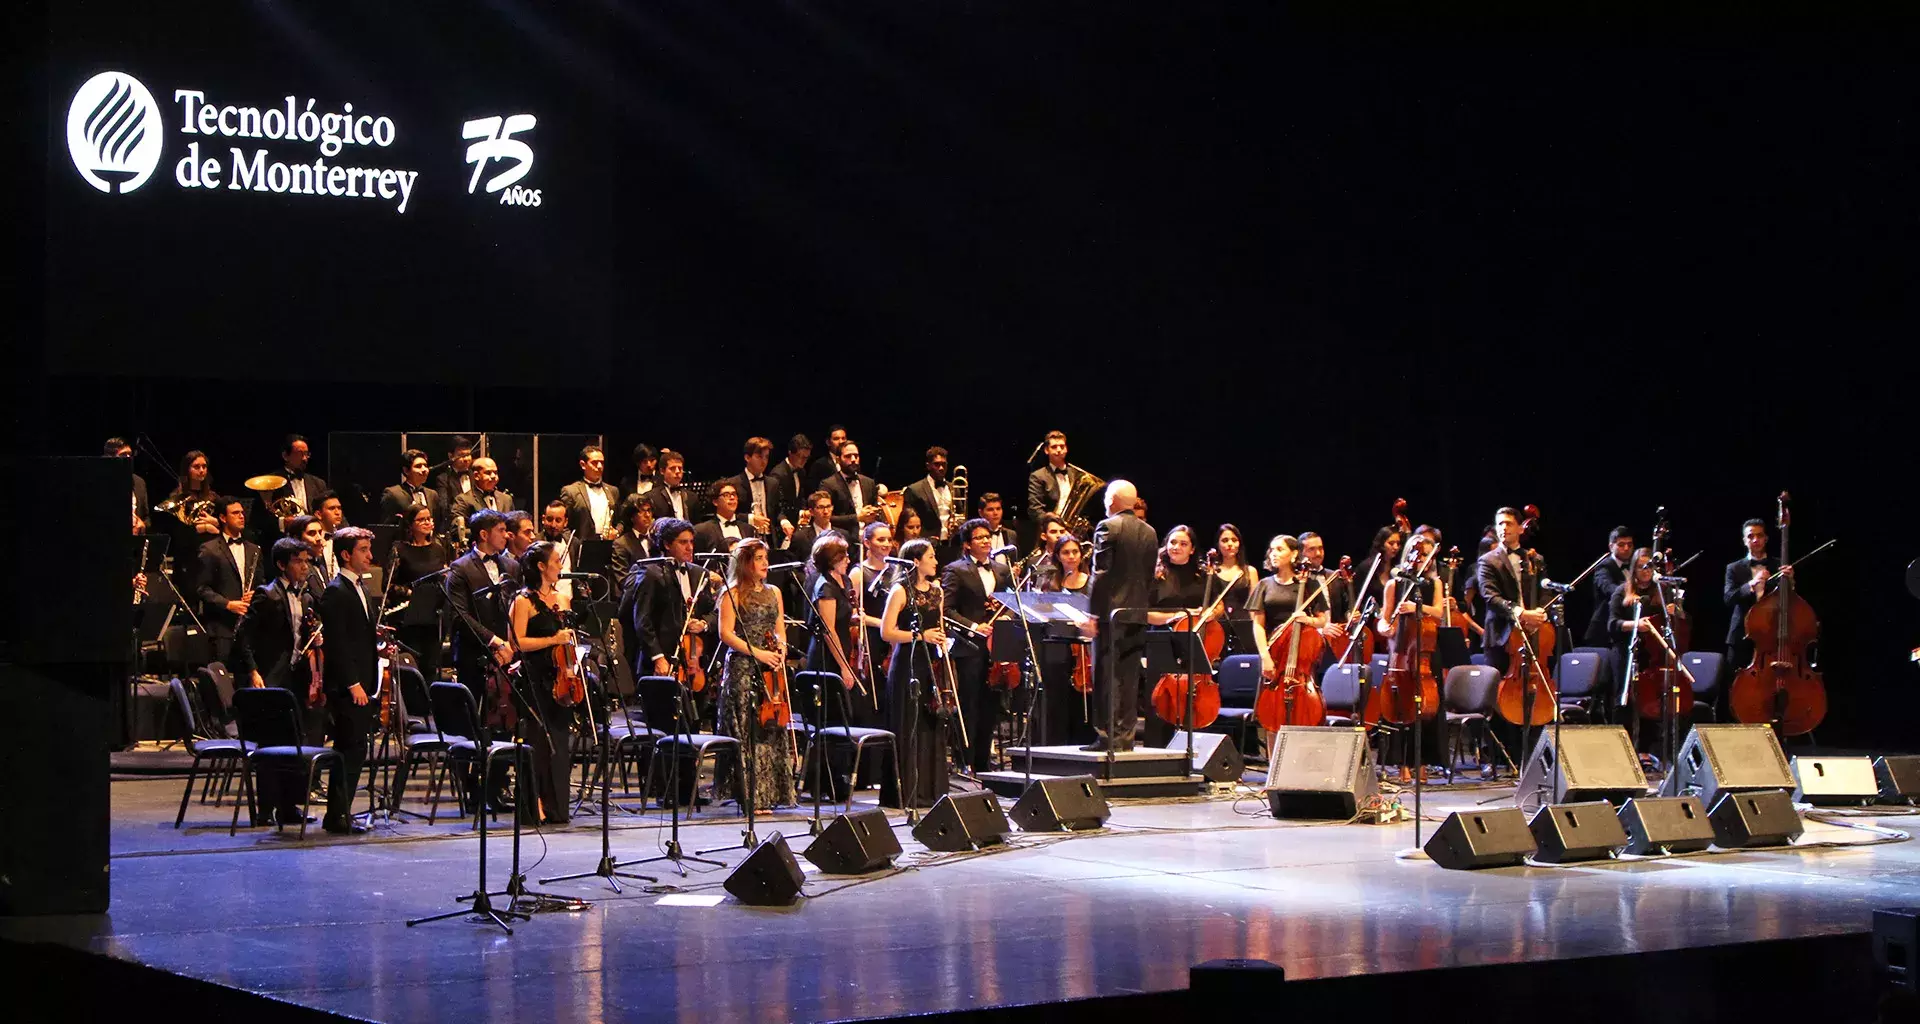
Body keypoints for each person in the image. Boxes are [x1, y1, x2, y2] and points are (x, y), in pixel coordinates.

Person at [235, 538, 343, 827]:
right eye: (298, 561)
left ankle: (289, 808)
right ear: (282, 565)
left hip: (298, 679)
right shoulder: (266, 595)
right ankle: (264, 810)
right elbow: (243, 637)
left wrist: (317, 637)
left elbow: (304, 635)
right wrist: (253, 671)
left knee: (296, 743)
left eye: (307, 561)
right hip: (272, 677)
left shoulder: (307, 597)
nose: (305, 566)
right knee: (271, 746)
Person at [715, 538, 796, 811]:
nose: (765, 563)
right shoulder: (732, 593)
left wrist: (781, 650)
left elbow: (779, 629)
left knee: (770, 729)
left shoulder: (774, 592)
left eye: (765, 557)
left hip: (771, 668)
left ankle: (771, 794)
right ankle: (750, 796)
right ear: (746, 562)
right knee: (749, 729)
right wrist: (757, 653)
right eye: (759, 558)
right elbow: (725, 633)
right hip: (743, 668)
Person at [1081, 480, 1157, 753]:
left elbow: (1100, 575)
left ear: (1110, 501)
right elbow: (1148, 576)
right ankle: (1125, 737)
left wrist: (1091, 613)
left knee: (1106, 675)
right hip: (1137, 612)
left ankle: (1106, 737)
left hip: (1110, 615)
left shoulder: (1107, 527)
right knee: (1129, 676)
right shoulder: (1149, 532)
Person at [510, 541, 579, 825]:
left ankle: (556, 807)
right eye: (555, 561)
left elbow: (567, 640)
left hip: (561, 679)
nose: (560, 567)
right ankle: (532, 805)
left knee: (559, 745)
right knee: (537, 745)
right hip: (534, 681)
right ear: (541, 566)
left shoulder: (562, 599)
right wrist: (553, 640)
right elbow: (517, 642)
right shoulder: (523, 601)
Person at [879, 537, 952, 808]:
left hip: (931, 663)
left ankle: (930, 791)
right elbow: (887, 633)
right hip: (907, 663)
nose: (935, 561)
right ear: (916, 561)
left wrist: (942, 646)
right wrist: (921, 635)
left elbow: (939, 626)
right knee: (909, 723)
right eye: (931, 556)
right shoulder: (900, 590)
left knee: (932, 722)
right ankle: (906, 792)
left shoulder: (937, 591)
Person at [943, 518, 1016, 772]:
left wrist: (1006, 618)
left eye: (988, 536)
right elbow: (947, 609)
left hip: (996, 647)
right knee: (969, 704)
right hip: (969, 646)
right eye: (979, 537)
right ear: (967, 544)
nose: (986, 541)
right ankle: (966, 760)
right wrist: (974, 627)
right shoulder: (956, 570)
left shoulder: (1001, 569)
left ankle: (985, 761)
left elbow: (1011, 605)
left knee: (991, 705)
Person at [317, 526, 377, 835]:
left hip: (363, 681)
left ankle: (343, 812)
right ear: (345, 555)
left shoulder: (361, 587)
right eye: (363, 550)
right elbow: (337, 643)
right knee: (348, 748)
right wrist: (353, 683)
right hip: (347, 686)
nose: (370, 555)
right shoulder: (336, 591)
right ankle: (337, 815)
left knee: (357, 749)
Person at [1376, 527, 1446, 782]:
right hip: (1400, 656)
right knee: (1399, 708)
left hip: (1425, 656)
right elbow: (1384, 622)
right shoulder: (1394, 584)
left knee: (1428, 709)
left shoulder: (1434, 583)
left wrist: (1417, 606)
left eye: (1424, 555)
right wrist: (1387, 628)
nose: (1418, 560)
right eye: (1415, 555)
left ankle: (1424, 763)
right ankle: (1402, 764)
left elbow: (1438, 613)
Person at [623, 517, 715, 682]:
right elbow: (642, 621)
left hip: (694, 660)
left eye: (691, 542)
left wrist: (704, 624)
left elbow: (713, 612)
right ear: (666, 545)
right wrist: (658, 658)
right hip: (662, 660)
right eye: (683, 542)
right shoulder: (651, 573)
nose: (690, 548)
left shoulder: (700, 574)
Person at [1612, 548, 1687, 746]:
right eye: (1640, 567)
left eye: (1650, 566)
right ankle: (1622, 747)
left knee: (1651, 702)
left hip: (1654, 654)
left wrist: (1676, 611)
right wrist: (1636, 625)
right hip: (1626, 652)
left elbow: (1680, 623)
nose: (1646, 571)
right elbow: (1612, 625)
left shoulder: (1663, 592)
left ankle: (1646, 749)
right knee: (1624, 701)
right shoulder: (1622, 592)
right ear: (1633, 569)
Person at [445, 510, 520, 702]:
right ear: (484, 535)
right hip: (475, 655)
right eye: (501, 530)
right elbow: (459, 616)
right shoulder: (460, 568)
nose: (507, 535)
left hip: (509, 655)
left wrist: (510, 644)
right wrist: (495, 641)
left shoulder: (512, 566)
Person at [1475, 507, 1549, 678]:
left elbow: (1545, 590)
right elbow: (1490, 596)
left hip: (1533, 630)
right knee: (1500, 690)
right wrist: (1521, 613)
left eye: (1508, 523)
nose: (1503, 528)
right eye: (1500, 524)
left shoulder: (1535, 559)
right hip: (1501, 636)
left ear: (1521, 528)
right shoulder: (1487, 561)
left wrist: (1540, 612)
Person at [1036, 532, 1094, 746]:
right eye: (1066, 552)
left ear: (1081, 555)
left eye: (1075, 552)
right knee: (1058, 702)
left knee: (1083, 704)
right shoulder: (1050, 584)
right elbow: (1043, 615)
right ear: (1058, 556)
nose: (1071, 556)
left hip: (1083, 650)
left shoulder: (1091, 582)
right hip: (1057, 650)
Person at [388, 504, 450, 683]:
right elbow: (389, 585)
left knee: (432, 665)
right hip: (410, 616)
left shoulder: (438, 548)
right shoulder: (399, 549)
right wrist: (412, 593)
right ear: (410, 524)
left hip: (434, 614)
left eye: (429, 519)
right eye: (421, 519)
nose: (427, 523)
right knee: (414, 666)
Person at [195, 495, 259, 665]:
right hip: (222, 629)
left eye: (242, 513)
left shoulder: (254, 549)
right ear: (222, 518)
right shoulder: (209, 549)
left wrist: (255, 594)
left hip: (249, 628)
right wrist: (229, 604)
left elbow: (262, 583)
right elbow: (202, 589)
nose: (241, 516)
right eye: (235, 513)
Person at [1722, 518, 1781, 672]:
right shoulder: (1733, 568)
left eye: (1759, 536)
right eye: (1750, 536)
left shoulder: (1778, 566)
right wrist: (1750, 585)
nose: (1755, 540)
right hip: (1741, 634)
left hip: (1770, 634)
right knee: (1735, 684)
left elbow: (1786, 599)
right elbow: (1728, 598)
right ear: (1744, 540)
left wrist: (1790, 582)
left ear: (1766, 538)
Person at [849, 520, 896, 699]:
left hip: (894, 640)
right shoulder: (858, 572)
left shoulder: (896, 570)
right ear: (867, 543)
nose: (886, 545)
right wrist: (884, 624)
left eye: (889, 540)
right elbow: (853, 613)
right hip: (872, 639)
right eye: (881, 540)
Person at [557, 444, 622, 541]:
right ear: (583, 465)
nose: (600, 466)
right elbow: (564, 525)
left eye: (602, 463)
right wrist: (574, 545)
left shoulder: (613, 491)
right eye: (595, 463)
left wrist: (616, 532)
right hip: (582, 547)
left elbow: (621, 521)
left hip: (610, 545)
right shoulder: (570, 491)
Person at [819, 440, 881, 540]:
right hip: (842, 539)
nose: (853, 459)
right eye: (848, 456)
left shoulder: (869, 482)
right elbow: (825, 518)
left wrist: (874, 513)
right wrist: (857, 517)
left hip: (869, 539)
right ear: (838, 460)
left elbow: (877, 514)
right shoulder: (828, 485)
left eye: (856, 456)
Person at [1584, 526, 1635, 647]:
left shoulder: (1634, 565)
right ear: (1611, 546)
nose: (1627, 548)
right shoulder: (1604, 567)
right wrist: (1627, 593)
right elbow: (1608, 588)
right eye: (1621, 545)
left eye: (1630, 544)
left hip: (1625, 629)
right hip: (1604, 630)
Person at [1215, 524, 1261, 656]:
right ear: (1218, 544)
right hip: (1218, 627)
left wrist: (1256, 629)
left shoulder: (1250, 571)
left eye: (1234, 540)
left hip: (1244, 627)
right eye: (1225, 540)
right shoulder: (1211, 571)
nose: (1230, 544)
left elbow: (1255, 606)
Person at [1027, 430, 1090, 523]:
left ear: (1066, 449)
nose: (1059, 450)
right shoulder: (1038, 476)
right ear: (1046, 450)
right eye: (1054, 447)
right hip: (1051, 529)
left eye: (1062, 446)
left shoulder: (1077, 474)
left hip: (1074, 526)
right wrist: (1049, 520)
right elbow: (1035, 510)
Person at [379, 449, 448, 533]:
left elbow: (436, 526)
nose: (424, 470)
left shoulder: (433, 494)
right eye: (418, 466)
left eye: (425, 465)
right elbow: (386, 529)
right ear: (406, 470)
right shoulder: (393, 494)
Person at [902, 446, 958, 550]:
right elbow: (907, 521)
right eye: (937, 464)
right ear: (928, 466)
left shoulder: (954, 488)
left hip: (952, 545)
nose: (941, 468)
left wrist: (957, 525)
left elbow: (961, 516)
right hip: (926, 546)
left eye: (944, 464)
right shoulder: (914, 490)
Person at [727, 437, 778, 539]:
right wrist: (751, 519)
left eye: (766, 457)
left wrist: (784, 521)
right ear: (747, 458)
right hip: (744, 537)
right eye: (759, 457)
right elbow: (728, 513)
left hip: (769, 538)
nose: (764, 462)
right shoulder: (734, 483)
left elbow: (777, 511)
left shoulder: (773, 483)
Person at [765, 434, 813, 532]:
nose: (803, 461)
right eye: (800, 456)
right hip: (780, 527)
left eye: (806, 457)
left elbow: (800, 498)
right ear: (790, 453)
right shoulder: (778, 474)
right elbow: (776, 505)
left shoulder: (801, 471)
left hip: (795, 524)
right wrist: (784, 521)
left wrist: (803, 511)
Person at [694, 479, 756, 554]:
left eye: (734, 494)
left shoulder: (748, 529)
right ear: (715, 501)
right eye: (726, 495)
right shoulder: (702, 530)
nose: (732, 498)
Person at [168, 450, 221, 537]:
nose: (201, 470)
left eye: (204, 466)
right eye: (196, 467)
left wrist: (215, 522)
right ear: (187, 470)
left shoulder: (213, 496)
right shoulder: (176, 496)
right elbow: (178, 531)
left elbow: (225, 520)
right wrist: (206, 527)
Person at [608, 494, 657, 585]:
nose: (647, 515)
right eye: (642, 511)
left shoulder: (657, 539)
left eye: (649, 510)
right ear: (631, 516)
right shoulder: (621, 544)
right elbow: (623, 579)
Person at [450, 457, 516, 526]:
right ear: (476, 475)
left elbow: (513, 527)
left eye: (495, 472)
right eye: (488, 473)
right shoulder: (463, 500)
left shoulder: (506, 499)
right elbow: (457, 530)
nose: (493, 476)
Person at [105, 437, 150, 534]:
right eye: (123, 455)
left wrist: (143, 524)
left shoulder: (139, 483)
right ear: (110, 458)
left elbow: (146, 517)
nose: (129, 458)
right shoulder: (102, 482)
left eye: (130, 454)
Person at [645, 449, 693, 523]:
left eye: (680, 468)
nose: (677, 471)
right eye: (672, 468)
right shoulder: (651, 497)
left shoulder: (692, 497)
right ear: (662, 471)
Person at [433, 436, 476, 510]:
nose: (466, 459)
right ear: (450, 456)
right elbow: (444, 506)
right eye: (461, 455)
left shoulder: (476, 475)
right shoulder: (443, 479)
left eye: (468, 455)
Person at [977, 493, 1017, 564]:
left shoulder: (1011, 534)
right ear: (981, 513)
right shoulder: (974, 536)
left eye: (998, 509)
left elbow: (1015, 561)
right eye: (990, 509)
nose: (995, 513)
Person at [806, 425, 849, 491]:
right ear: (828, 442)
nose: (841, 442)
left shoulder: (851, 461)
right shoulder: (819, 465)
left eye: (843, 438)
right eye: (836, 439)